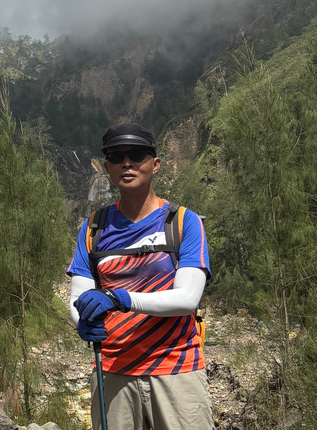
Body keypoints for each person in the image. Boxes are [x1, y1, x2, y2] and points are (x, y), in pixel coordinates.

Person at [67, 122, 212, 430]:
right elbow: (78, 298)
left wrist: (119, 299)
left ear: (155, 164)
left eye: (137, 154)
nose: (127, 163)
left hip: (176, 368)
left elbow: (188, 299)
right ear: (107, 167)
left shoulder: (184, 222)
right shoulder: (93, 228)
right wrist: (84, 322)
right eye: (117, 156)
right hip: (112, 369)